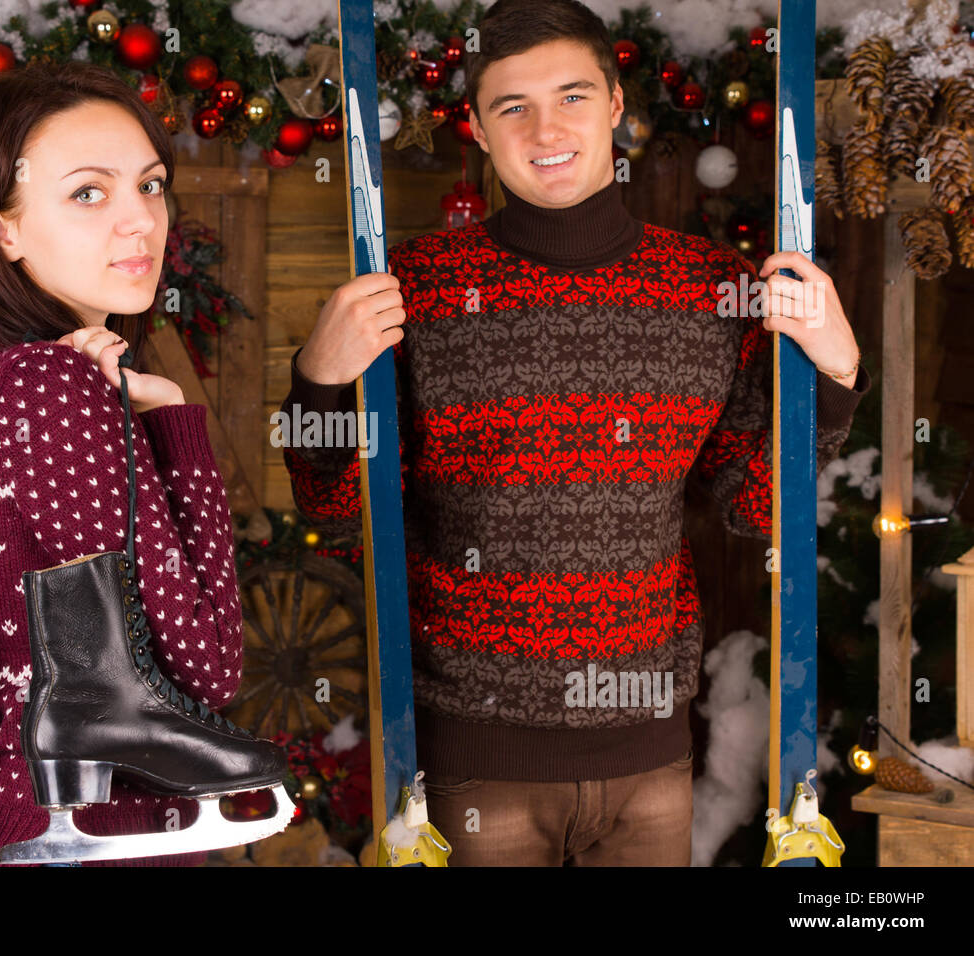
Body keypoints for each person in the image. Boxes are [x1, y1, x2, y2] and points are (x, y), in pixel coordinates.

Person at [279, 0, 871, 866]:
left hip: (650, 754)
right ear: (477, 130)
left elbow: (755, 503)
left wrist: (837, 372)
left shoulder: (711, 285)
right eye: (511, 106)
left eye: (572, 96)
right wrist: (320, 384)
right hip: (476, 753)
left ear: (618, 104)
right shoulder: (418, 288)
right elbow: (341, 511)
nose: (545, 127)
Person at [0, 61, 244, 867]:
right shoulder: (61, 382)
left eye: (151, 185)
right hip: (89, 841)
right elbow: (205, 669)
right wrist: (174, 422)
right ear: (5, 228)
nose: (139, 221)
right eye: (89, 193)